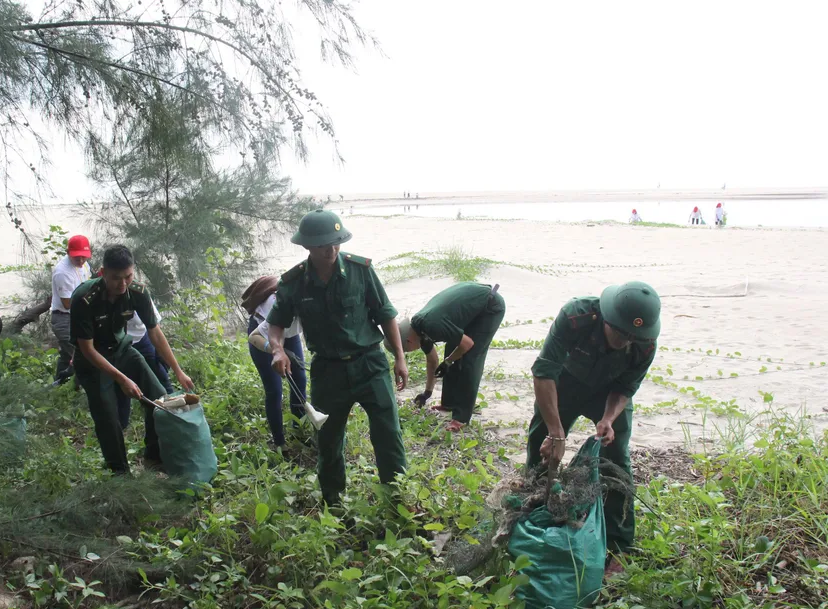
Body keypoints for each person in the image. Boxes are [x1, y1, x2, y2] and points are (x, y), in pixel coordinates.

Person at [266, 210, 408, 506]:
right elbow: (276, 322)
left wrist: (400, 358)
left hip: (370, 364)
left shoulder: (361, 270)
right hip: (328, 372)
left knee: (388, 434)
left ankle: (397, 497)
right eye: (322, 245)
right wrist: (278, 349)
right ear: (307, 247)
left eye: (336, 242)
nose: (331, 249)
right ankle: (333, 502)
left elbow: (386, 314)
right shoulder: (294, 282)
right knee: (329, 439)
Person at [526, 281, 661, 572]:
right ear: (605, 317)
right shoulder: (576, 317)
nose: (625, 341)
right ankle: (531, 516)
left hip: (609, 393)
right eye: (620, 332)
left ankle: (620, 544)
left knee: (617, 461)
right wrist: (556, 431)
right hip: (565, 383)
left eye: (632, 337)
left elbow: (626, 388)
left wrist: (609, 419)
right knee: (541, 444)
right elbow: (544, 371)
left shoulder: (645, 344)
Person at [69, 245, 194, 474]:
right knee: (109, 418)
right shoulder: (84, 298)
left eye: (128, 276)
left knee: (159, 399)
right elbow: (86, 349)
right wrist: (122, 379)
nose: (123, 284)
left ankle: (153, 457)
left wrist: (178, 370)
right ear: (102, 272)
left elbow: (154, 332)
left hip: (123, 351)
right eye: (116, 278)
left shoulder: (138, 292)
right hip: (92, 362)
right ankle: (120, 474)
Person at [385, 282, 506, 432]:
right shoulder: (418, 330)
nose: (410, 352)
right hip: (473, 305)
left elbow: (467, 344)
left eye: (406, 351)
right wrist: (427, 393)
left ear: (408, 341)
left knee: (469, 358)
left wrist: (448, 361)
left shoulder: (432, 325)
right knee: (452, 350)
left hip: (489, 306)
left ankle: (462, 417)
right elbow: (433, 361)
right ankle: (449, 403)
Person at [241, 275, 307, 447]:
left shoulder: (314, 308)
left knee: (299, 380)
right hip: (262, 336)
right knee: (274, 390)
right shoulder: (281, 308)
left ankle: (299, 432)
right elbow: (253, 337)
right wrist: (278, 351)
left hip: (289, 332)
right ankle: (279, 443)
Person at [50, 235, 93, 384]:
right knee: (78, 355)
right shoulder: (63, 272)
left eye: (84, 257)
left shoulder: (84, 265)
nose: (81, 261)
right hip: (64, 318)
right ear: (68, 252)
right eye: (77, 258)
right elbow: (68, 303)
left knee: (67, 356)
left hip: (78, 315)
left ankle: (59, 385)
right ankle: (79, 386)